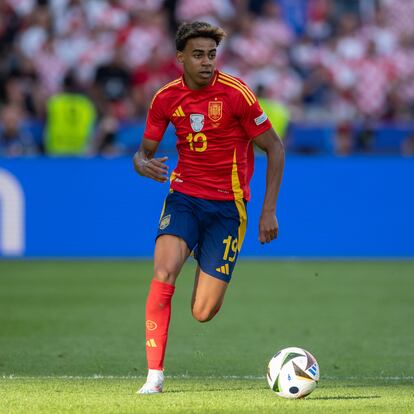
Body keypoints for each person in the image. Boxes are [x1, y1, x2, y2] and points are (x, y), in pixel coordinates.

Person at [133, 21, 285, 394]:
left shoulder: (236, 94)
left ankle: (204, 254)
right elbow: (143, 153)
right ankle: (154, 377)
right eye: (198, 55)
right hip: (184, 196)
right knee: (164, 271)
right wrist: (141, 165)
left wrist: (268, 210)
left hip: (228, 208)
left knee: (202, 312)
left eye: (212, 55)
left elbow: (275, 147)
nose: (206, 63)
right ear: (180, 58)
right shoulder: (165, 98)